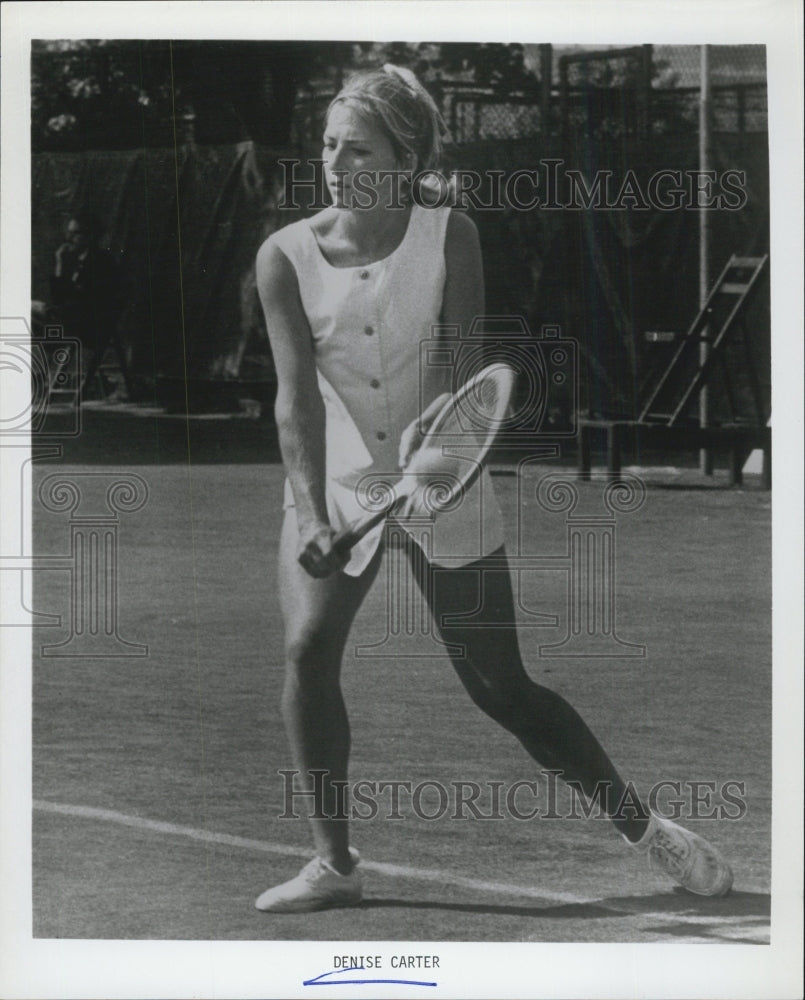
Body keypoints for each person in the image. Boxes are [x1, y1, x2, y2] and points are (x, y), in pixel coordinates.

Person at [254, 65, 733, 912]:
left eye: (356, 147)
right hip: (338, 481)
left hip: (441, 470)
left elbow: (463, 366)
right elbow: (295, 399)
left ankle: (650, 833)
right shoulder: (283, 256)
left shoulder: (452, 235)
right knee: (305, 650)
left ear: (404, 159)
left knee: (499, 686)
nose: (333, 162)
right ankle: (334, 864)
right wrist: (308, 508)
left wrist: (431, 457)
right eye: (327, 144)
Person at [33, 213, 130, 399]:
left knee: (25, 311)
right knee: (29, 310)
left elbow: (78, 303)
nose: (69, 238)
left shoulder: (100, 262)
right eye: (69, 233)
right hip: (77, 320)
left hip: (88, 327)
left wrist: (55, 310)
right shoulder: (84, 260)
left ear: (91, 236)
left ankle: (38, 374)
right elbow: (62, 299)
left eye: (75, 233)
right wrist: (60, 262)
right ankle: (39, 372)